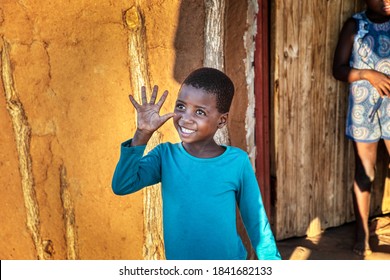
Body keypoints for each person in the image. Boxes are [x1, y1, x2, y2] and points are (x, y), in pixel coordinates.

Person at [112, 67, 281, 260]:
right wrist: (142, 134)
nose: (185, 118)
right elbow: (122, 185)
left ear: (222, 120)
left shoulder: (237, 162)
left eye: (199, 112)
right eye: (181, 107)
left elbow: (256, 221)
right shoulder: (165, 156)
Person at [332, 0, 390, 256]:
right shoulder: (355, 25)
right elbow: (338, 69)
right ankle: (362, 234)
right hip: (363, 109)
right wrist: (369, 75)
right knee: (365, 171)